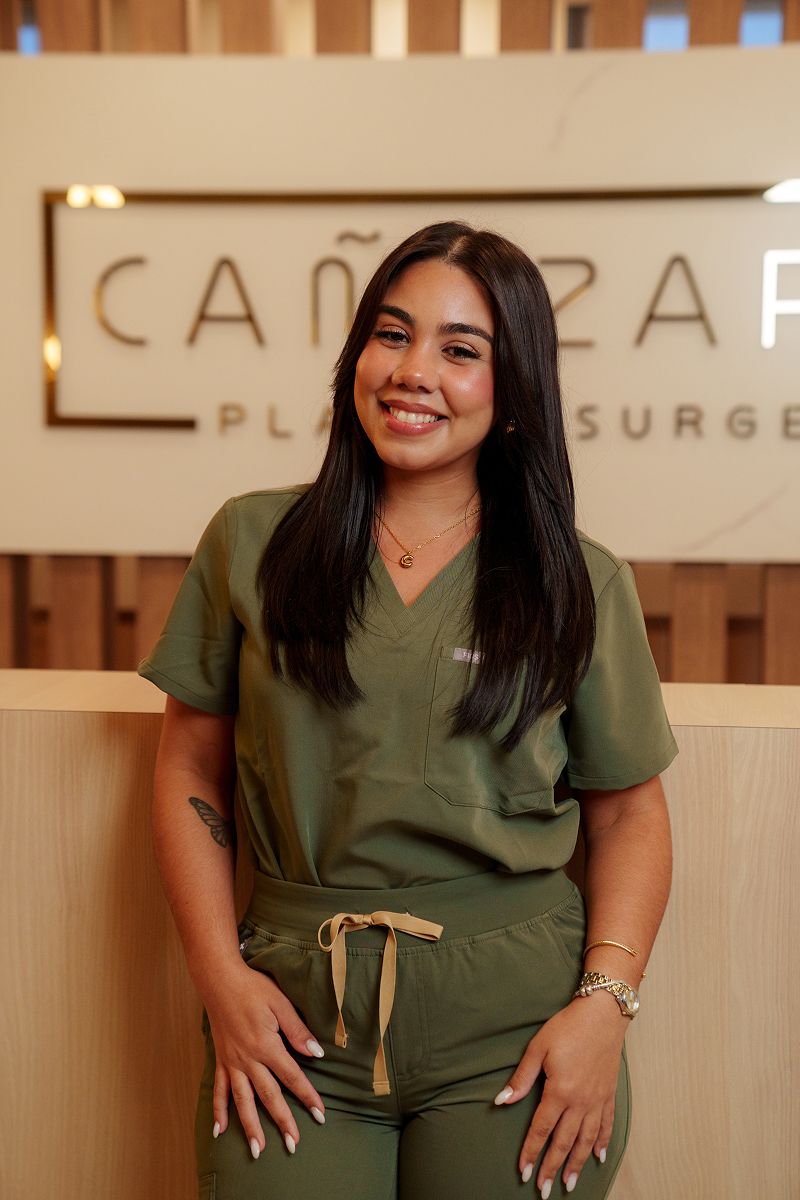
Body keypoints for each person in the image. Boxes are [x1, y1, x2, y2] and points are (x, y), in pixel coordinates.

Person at [138, 221, 677, 1200]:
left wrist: (604, 1008)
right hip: (292, 1026)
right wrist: (220, 982)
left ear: (510, 392)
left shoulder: (576, 581)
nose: (411, 371)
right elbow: (185, 767)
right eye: (390, 335)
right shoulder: (250, 542)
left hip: (514, 1032)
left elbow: (628, 811)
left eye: (459, 351)